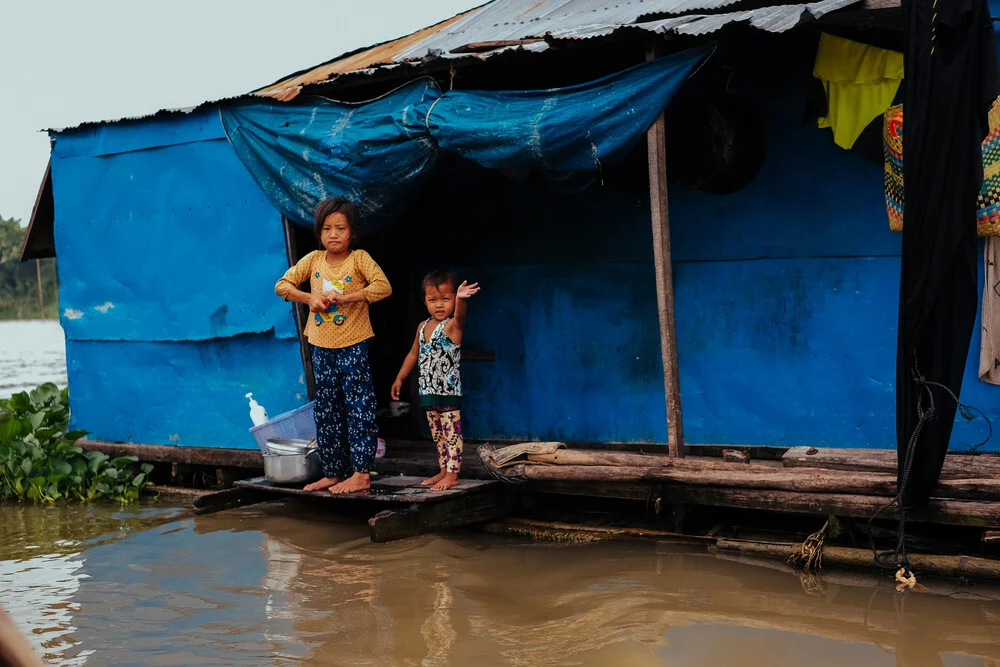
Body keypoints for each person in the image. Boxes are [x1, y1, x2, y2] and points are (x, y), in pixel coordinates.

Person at [274, 197, 391, 494]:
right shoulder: (313, 260)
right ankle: (333, 471)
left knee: (359, 407)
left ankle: (362, 473)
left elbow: (383, 287)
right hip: (321, 346)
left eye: (340, 228)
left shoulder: (359, 258)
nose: (333, 234)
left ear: (353, 232)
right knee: (326, 410)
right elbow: (282, 286)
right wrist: (309, 298)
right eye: (327, 228)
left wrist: (348, 297)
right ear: (319, 232)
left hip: (353, 344)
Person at [391, 270, 479, 491]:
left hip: (448, 390)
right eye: (433, 300)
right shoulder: (422, 327)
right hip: (428, 390)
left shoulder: (451, 326)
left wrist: (460, 299)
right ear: (425, 301)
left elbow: (460, 317)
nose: (439, 305)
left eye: (446, 299)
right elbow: (413, 354)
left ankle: (453, 473)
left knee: (452, 432)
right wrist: (400, 378)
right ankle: (442, 469)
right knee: (437, 433)